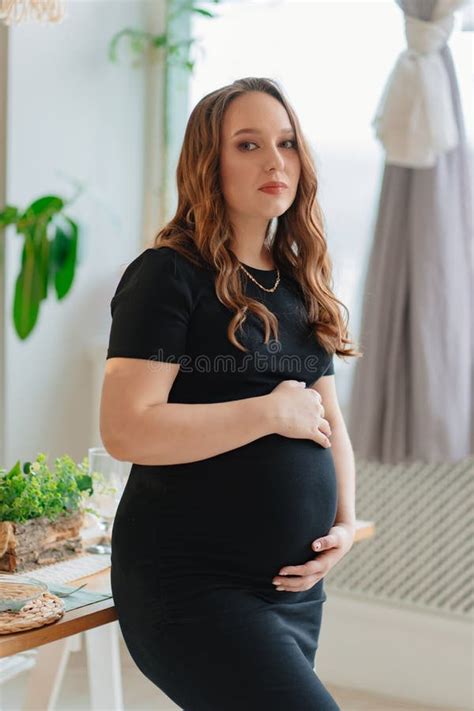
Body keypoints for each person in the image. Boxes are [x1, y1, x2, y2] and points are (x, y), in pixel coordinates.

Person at [101, 76, 361, 711]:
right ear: (207, 164)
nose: (276, 161)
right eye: (248, 145)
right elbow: (127, 429)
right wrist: (268, 411)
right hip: (189, 587)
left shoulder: (298, 282)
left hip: (293, 592)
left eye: (287, 142)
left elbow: (329, 419)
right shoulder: (168, 275)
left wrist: (345, 525)